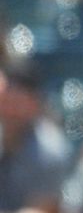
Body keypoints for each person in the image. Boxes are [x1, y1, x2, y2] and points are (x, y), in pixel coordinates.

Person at [0, 57, 71, 213]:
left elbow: (41, 209)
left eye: (17, 103)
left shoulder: (50, 149)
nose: (10, 110)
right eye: (6, 101)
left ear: (35, 104)